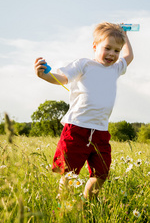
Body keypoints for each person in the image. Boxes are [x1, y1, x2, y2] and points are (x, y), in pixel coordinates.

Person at [34, 22, 134, 200]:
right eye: (107, 48)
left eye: (116, 51)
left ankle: (89, 203)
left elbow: (129, 55)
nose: (112, 54)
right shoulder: (84, 64)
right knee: (69, 173)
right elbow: (62, 78)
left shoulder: (116, 68)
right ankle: (63, 208)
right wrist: (45, 75)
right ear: (95, 46)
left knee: (101, 174)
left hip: (101, 132)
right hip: (76, 129)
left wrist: (125, 35)